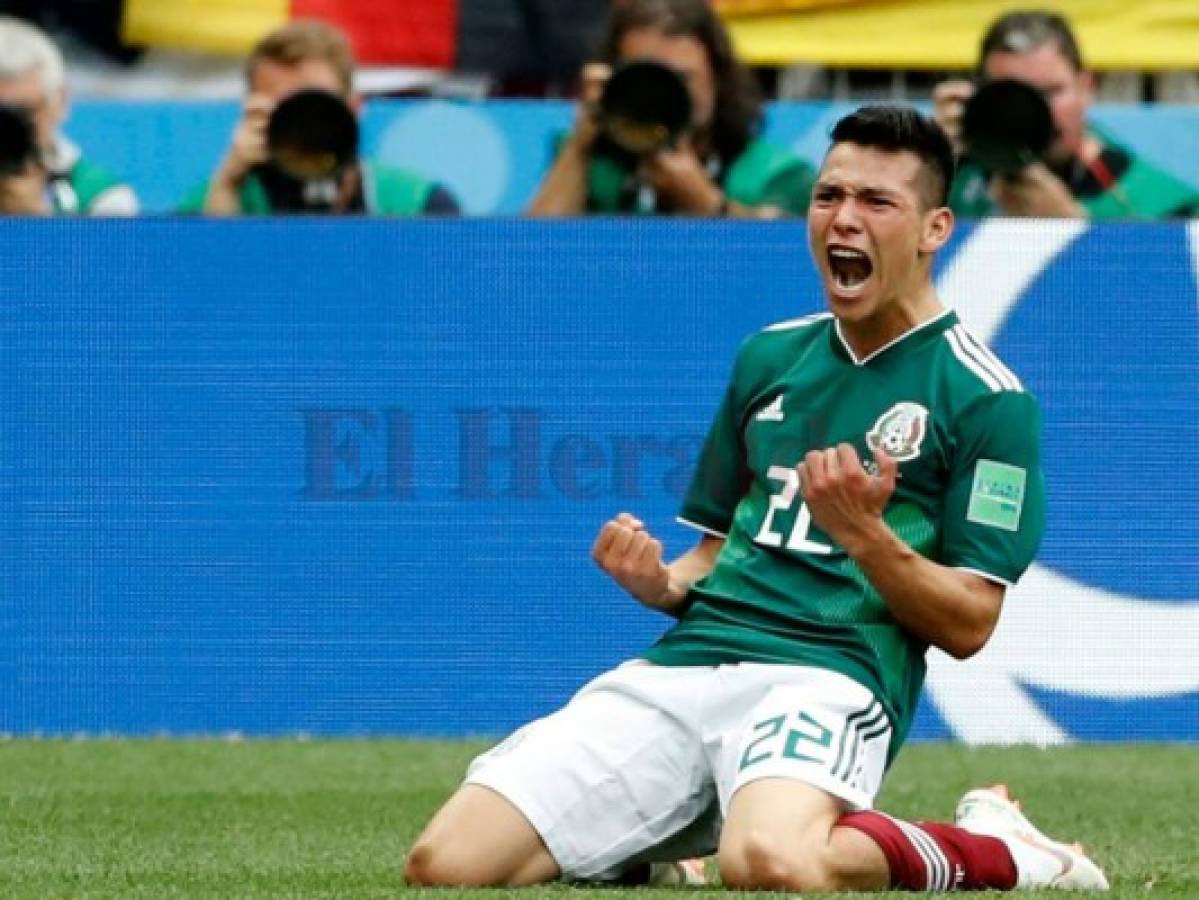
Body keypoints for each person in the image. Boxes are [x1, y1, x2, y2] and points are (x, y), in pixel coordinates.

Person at [405, 105, 1109, 893]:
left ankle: (999, 848)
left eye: (876, 202)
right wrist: (661, 583)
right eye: (827, 196)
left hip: (829, 674)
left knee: (769, 864)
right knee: (446, 867)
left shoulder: (986, 399)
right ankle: (655, 842)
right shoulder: (769, 356)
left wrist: (865, 536)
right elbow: (712, 553)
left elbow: (970, 623)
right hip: (689, 665)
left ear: (934, 228)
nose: (842, 219)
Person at [526, 0, 813, 218]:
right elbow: (527, 259)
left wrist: (709, 206)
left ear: (718, 78)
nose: (663, 94)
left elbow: (785, 266)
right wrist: (580, 146)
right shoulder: (591, 165)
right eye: (648, 77)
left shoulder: (777, 174)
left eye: (683, 78)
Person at [935, 9, 1199, 219]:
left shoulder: (1164, 205)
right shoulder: (950, 186)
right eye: (1012, 95)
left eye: (1049, 93)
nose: (1031, 112)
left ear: (1086, 88)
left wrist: (1073, 231)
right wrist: (929, 163)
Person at [182, 19, 458, 216]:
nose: (302, 125)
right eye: (283, 108)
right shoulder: (207, 205)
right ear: (251, 112)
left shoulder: (416, 205)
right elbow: (200, 290)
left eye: (316, 106)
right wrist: (227, 187)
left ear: (354, 107)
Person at [0, 16, 138, 215]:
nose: (8, 130)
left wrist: (34, 223)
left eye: (25, 112)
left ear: (60, 102)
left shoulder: (102, 197)